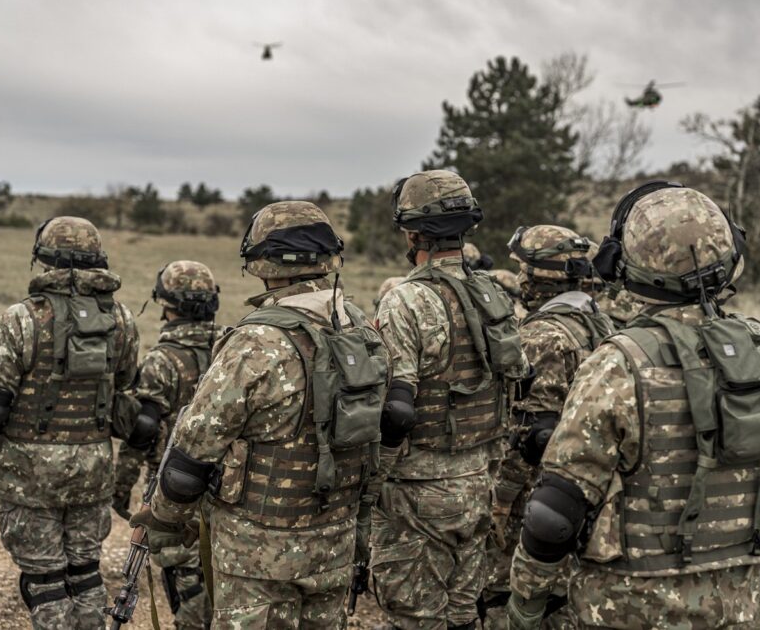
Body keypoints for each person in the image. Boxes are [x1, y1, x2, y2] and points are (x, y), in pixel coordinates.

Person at [507, 182, 760, 629]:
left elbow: (555, 512)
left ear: (629, 265)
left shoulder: (618, 363)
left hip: (629, 605)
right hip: (734, 601)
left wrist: (525, 603)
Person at [132, 201, 389, 628]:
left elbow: (192, 455)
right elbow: (382, 434)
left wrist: (162, 520)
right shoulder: (360, 329)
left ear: (263, 261)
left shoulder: (256, 341)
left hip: (257, 555)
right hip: (335, 541)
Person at [372, 170, 528, 630]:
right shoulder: (496, 295)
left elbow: (397, 412)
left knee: (417, 617)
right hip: (480, 481)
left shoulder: (405, 301)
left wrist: (371, 480)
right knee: (462, 614)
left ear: (413, 232)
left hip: (417, 492)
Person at [0, 216, 145, 629]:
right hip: (93, 470)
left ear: (44, 260)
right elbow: (126, 391)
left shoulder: (22, 318)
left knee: (44, 580)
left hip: (28, 473)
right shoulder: (121, 320)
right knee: (85, 572)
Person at [484, 225, 613, 629]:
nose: (519, 278)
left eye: (524, 269)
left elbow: (530, 437)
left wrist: (500, 502)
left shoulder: (541, 334)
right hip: (586, 493)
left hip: (536, 501)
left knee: (512, 600)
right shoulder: (599, 324)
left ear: (541, 277)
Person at [112, 260, 220, 630]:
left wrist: (121, 487)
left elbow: (142, 432)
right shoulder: (228, 347)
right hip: (227, 488)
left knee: (183, 576)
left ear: (167, 304)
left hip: (172, 488)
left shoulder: (163, 361)